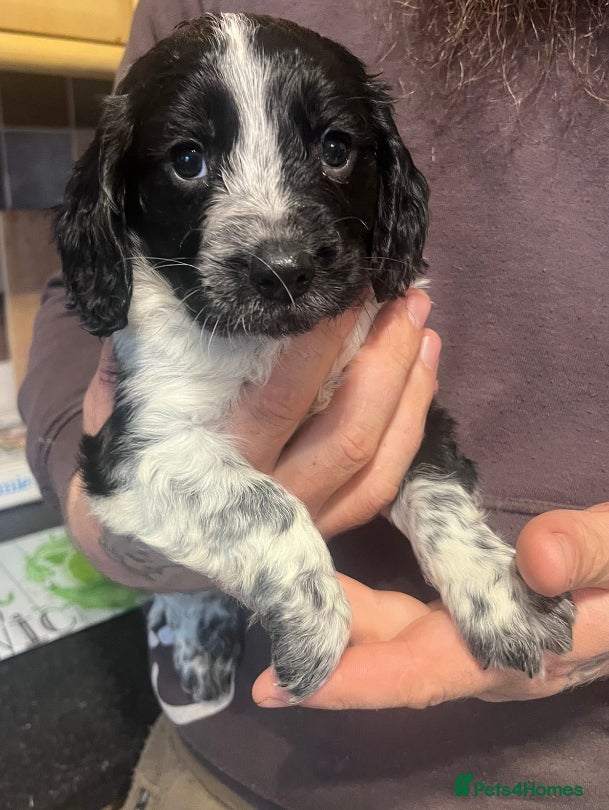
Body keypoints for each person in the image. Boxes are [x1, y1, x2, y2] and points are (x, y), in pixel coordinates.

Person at [19, 1, 609, 808]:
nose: (278, 245)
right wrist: (153, 540)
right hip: (232, 759)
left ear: (380, 170)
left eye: (332, 149)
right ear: (121, 198)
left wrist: (470, 563)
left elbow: (414, 435)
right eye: (188, 160)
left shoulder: (367, 279)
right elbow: (131, 465)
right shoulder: (156, 316)